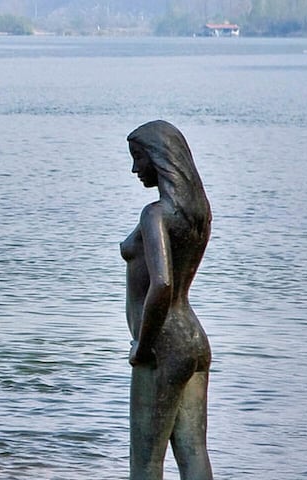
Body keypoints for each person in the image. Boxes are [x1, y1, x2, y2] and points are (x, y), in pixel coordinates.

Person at [120, 120, 213, 480]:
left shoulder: (156, 214)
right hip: (194, 340)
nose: (134, 169)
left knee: (145, 461)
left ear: (160, 160)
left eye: (138, 158)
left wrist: (143, 347)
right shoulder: (199, 212)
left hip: (163, 343)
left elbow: (161, 285)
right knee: (193, 452)